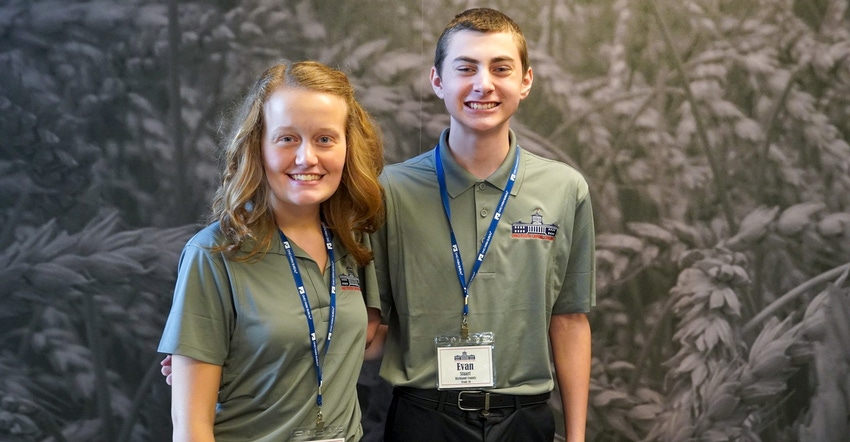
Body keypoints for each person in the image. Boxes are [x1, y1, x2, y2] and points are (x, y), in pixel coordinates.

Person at [372, 8, 595, 442]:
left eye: (500, 68)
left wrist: (577, 436)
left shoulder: (565, 189)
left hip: (525, 420)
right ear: (438, 81)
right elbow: (368, 322)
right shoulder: (390, 191)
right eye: (466, 68)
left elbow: (569, 320)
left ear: (525, 81)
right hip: (423, 418)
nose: (483, 84)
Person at [157, 60, 385, 442]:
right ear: (258, 146)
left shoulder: (352, 243)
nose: (306, 158)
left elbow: (364, 339)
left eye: (325, 139)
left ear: (348, 147)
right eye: (287, 138)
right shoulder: (214, 254)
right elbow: (191, 429)